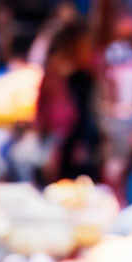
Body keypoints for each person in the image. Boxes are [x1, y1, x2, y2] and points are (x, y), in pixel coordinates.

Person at [34, 21, 101, 183]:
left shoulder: (86, 76)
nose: (88, 52)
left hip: (81, 149)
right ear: (71, 46)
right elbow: (46, 117)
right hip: (58, 151)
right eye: (84, 46)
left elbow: (89, 115)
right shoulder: (54, 75)